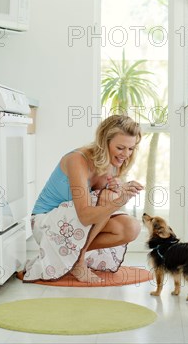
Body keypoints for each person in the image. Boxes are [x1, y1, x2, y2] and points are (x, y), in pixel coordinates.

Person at [23, 114, 144, 283]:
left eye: (131, 149)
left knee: (130, 228)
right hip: (45, 223)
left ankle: (69, 257)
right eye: (120, 148)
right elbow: (86, 216)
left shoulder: (113, 163)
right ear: (104, 142)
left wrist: (118, 188)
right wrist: (118, 200)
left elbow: (99, 205)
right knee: (109, 197)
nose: (126, 154)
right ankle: (78, 262)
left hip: (71, 226)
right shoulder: (78, 159)